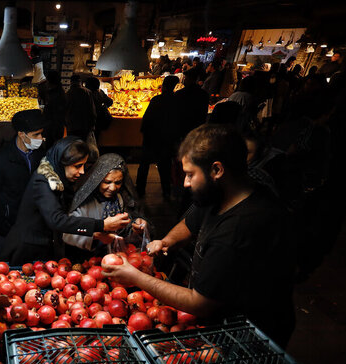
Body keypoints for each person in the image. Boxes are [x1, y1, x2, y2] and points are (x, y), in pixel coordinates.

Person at [102, 124, 296, 348]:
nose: (185, 183)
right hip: (223, 323)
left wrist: (135, 277)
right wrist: (167, 241)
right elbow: (191, 222)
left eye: (190, 174)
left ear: (217, 170)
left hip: (249, 338)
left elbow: (200, 302)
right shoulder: (222, 194)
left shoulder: (239, 228)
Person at [0, 137, 130, 264]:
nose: (82, 171)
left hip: (44, 248)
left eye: (84, 165)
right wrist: (101, 225)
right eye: (77, 166)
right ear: (63, 163)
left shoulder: (61, 180)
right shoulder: (43, 182)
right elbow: (57, 220)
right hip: (28, 250)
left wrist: (96, 234)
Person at [0, 109, 46, 260]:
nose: (41, 138)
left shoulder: (42, 154)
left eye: (41, 133)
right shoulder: (1, 160)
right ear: (21, 134)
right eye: (36, 135)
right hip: (8, 226)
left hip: (35, 224)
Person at [63, 153, 148, 260]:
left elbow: (124, 231)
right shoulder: (84, 203)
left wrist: (136, 226)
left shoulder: (120, 199)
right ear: (97, 180)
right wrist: (96, 235)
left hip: (116, 258)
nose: (112, 188)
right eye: (107, 182)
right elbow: (67, 233)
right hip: (88, 259)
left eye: (118, 182)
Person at [138, 75, 179, 198]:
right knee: (164, 167)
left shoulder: (156, 100)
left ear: (164, 87)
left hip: (152, 138)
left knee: (144, 165)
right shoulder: (176, 101)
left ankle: (140, 190)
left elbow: (147, 119)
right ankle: (166, 191)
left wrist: (144, 133)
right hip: (166, 139)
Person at [38, 70, 66, 148]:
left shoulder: (57, 95)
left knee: (52, 147)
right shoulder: (56, 91)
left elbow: (56, 115)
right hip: (54, 128)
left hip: (53, 130)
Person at [65, 75, 96, 142]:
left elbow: (65, 111)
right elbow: (92, 110)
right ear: (80, 82)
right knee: (82, 146)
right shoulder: (88, 92)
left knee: (72, 145)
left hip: (72, 126)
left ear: (71, 82)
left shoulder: (68, 94)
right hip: (84, 126)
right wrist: (92, 125)